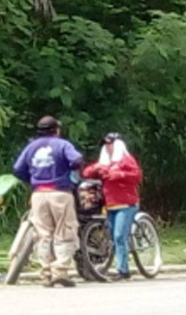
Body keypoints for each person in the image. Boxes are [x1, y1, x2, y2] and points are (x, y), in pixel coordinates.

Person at [13, 116, 84, 287]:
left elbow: (17, 169)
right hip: (59, 193)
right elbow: (76, 160)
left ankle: (46, 273)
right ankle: (60, 271)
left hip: (38, 194)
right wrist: (69, 171)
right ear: (56, 130)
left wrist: (34, 178)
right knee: (64, 231)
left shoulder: (31, 147)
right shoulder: (62, 144)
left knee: (43, 235)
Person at [82, 133, 142, 281]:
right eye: (106, 145)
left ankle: (123, 270)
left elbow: (137, 175)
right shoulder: (104, 162)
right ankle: (120, 265)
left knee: (119, 236)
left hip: (126, 204)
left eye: (111, 144)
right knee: (113, 237)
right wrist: (96, 167)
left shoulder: (126, 160)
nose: (108, 147)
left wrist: (120, 174)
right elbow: (86, 173)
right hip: (110, 204)